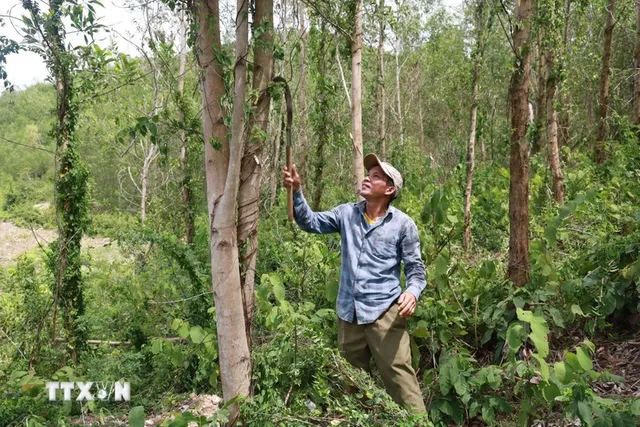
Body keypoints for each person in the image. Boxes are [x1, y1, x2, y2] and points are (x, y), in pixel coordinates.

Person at [282, 153, 427, 413]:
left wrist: (412, 294)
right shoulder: (346, 213)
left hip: (385, 315)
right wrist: (297, 191)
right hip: (349, 315)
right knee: (351, 387)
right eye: (367, 174)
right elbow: (310, 222)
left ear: (390, 189)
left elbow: (416, 270)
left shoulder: (403, 225)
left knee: (402, 385)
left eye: (376, 177)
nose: (367, 179)